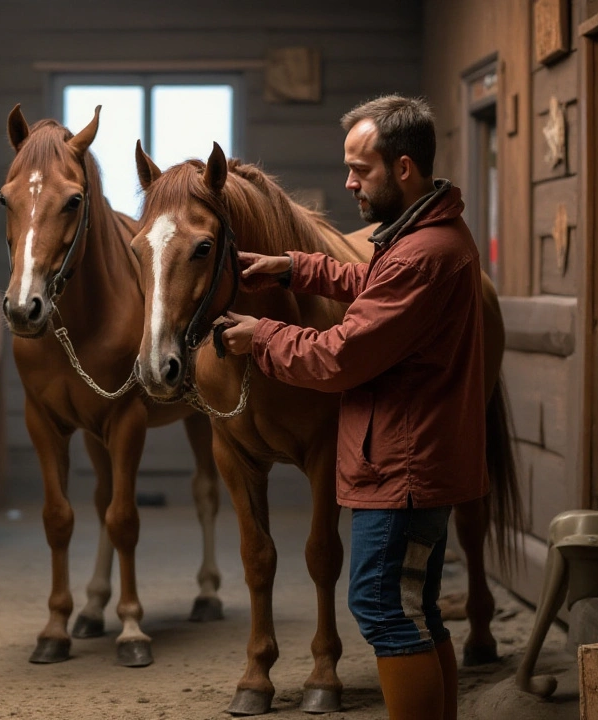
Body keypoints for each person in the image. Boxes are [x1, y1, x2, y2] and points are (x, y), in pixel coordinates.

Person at [220, 95, 485, 720]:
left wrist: (260, 336)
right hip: (415, 458)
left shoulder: (423, 253)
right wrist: (294, 269)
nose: (348, 182)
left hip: (403, 467)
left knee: (379, 604)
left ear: (402, 169)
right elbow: (375, 284)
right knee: (413, 606)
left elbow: (339, 356)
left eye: (360, 169)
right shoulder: (426, 235)